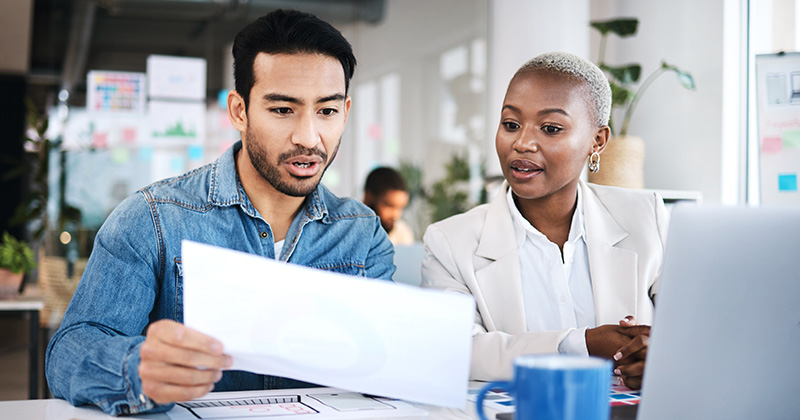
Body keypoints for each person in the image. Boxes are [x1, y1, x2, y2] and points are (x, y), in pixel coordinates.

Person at [46, 9, 394, 416]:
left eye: (327, 111)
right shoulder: (152, 219)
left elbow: (383, 367)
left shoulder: (362, 234)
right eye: (283, 110)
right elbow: (68, 351)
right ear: (239, 112)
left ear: (346, 112)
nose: (308, 136)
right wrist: (135, 369)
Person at [421, 52, 667, 390]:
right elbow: (455, 350)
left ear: (597, 141)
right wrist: (584, 343)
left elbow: (695, 331)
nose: (521, 143)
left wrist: (654, 355)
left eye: (550, 128)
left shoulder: (647, 218)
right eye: (510, 124)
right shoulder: (451, 242)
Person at [363, 166, 415, 245]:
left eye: (400, 207)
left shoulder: (402, 233)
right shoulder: (348, 229)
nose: (396, 215)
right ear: (368, 197)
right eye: (389, 206)